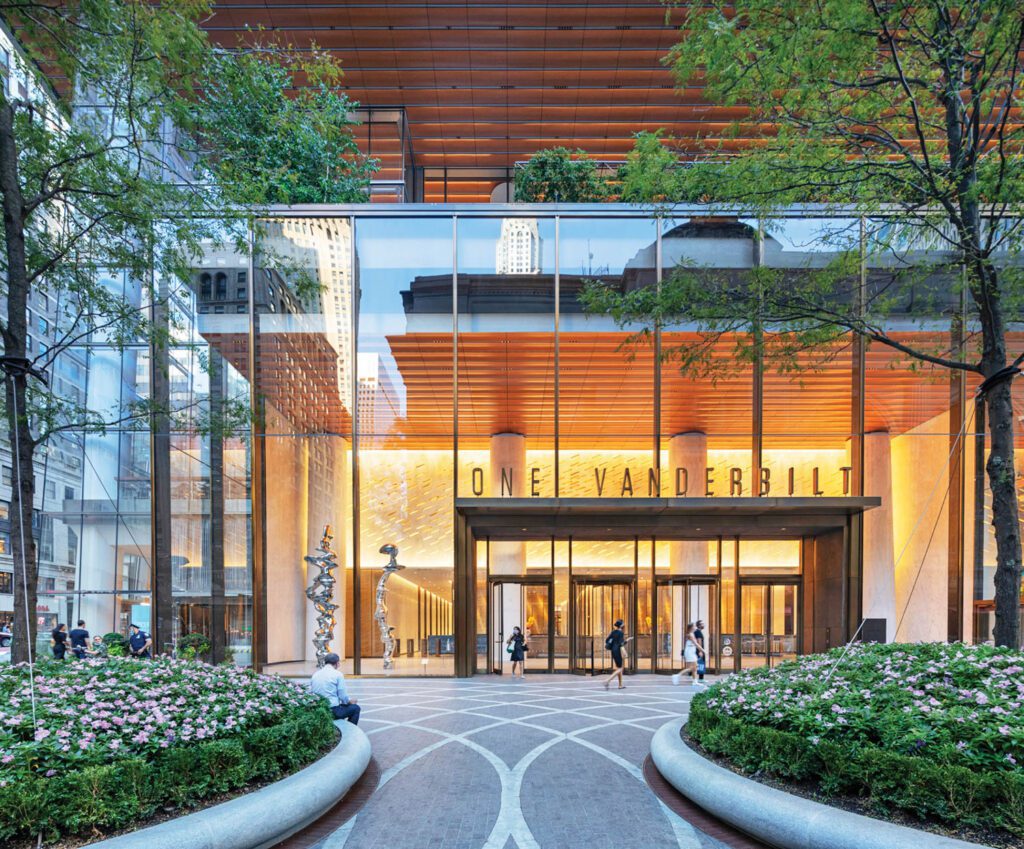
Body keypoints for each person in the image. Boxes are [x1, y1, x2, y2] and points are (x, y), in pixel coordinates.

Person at [310, 652, 361, 725]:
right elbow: (342, 696)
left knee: (342, 707)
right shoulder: (337, 674)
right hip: (332, 710)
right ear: (337, 663)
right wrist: (350, 701)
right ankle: (350, 731)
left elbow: (312, 692)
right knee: (355, 708)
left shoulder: (315, 674)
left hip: (319, 708)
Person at [672, 623, 705, 688]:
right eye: (694, 626)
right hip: (690, 652)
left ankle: (695, 681)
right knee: (692, 668)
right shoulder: (691, 635)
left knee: (694, 668)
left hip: (691, 652)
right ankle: (677, 675)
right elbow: (696, 644)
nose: (696, 627)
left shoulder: (691, 634)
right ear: (691, 628)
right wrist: (703, 650)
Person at [602, 618, 631, 690]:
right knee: (620, 669)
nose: (624, 624)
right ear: (621, 625)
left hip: (613, 651)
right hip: (618, 651)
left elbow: (607, 640)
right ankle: (607, 680)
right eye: (623, 623)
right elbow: (621, 644)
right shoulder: (621, 633)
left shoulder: (613, 632)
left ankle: (620, 685)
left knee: (619, 667)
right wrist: (627, 640)